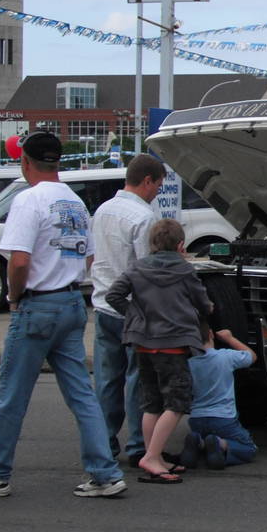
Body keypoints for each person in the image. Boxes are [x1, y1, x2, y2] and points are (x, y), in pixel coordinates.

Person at [0, 131, 126, 498]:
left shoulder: (28, 200)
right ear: (58, 162)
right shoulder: (76, 203)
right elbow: (90, 258)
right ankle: (105, 472)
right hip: (72, 302)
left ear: (25, 162)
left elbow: (19, 260)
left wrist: (14, 297)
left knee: (11, 393)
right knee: (81, 393)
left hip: (37, 304)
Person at [106, 217, 211, 484]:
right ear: (180, 245)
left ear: (151, 242)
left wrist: (134, 317)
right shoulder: (185, 271)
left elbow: (113, 296)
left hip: (143, 343)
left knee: (151, 403)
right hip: (174, 344)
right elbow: (203, 303)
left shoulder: (137, 268)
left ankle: (152, 453)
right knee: (177, 402)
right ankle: (152, 457)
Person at [89, 154, 165, 466]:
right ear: (147, 181)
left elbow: (94, 258)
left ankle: (104, 443)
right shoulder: (143, 217)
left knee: (107, 380)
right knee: (139, 381)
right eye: (158, 186)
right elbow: (146, 269)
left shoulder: (103, 210)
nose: (158, 192)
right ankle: (137, 446)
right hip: (133, 309)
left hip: (103, 305)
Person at [180, 321, 258, 470]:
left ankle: (199, 442)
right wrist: (229, 338)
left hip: (197, 418)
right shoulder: (225, 357)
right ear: (210, 334)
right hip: (224, 418)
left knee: (204, 437)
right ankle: (220, 444)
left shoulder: (188, 364)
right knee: (249, 448)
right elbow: (252, 357)